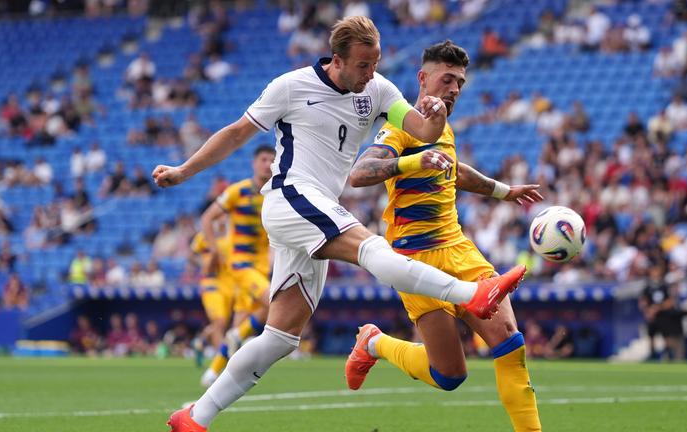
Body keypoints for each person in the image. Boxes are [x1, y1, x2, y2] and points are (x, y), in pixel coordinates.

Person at [157, 17, 526, 431]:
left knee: (279, 338)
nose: (371, 75)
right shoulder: (291, 86)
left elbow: (424, 131)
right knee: (373, 250)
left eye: (376, 64)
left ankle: (194, 416)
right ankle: (473, 294)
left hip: (315, 212)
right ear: (338, 60)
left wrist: (436, 114)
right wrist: (183, 171)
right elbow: (237, 132)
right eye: (364, 66)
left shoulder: (379, 89)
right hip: (290, 196)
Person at [343, 40, 543, 431]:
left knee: (508, 342)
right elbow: (359, 173)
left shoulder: (445, 128)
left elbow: (456, 170)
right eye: (447, 79)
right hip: (413, 263)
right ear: (423, 78)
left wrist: (504, 191)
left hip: (458, 250)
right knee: (449, 375)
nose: (454, 89)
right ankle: (373, 342)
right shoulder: (400, 128)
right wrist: (414, 160)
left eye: (460, 83)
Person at [196, 145, 276, 387]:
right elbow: (208, 218)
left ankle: (213, 372)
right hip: (241, 266)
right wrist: (214, 250)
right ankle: (236, 339)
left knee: (240, 324)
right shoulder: (237, 191)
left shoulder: (277, 194)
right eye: (263, 159)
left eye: (272, 160)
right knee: (275, 302)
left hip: (262, 268)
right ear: (254, 163)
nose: (268, 164)